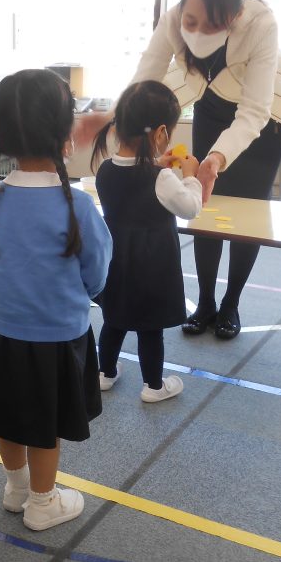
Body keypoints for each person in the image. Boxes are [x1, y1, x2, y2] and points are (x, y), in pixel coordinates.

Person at [76, 0, 281, 340]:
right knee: (205, 204)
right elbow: (145, 75)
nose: (197, 32)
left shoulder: (261, 22)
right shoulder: (173, 19)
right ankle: (206, 302)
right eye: (191, 22)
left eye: (211, 24)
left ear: (235, 14)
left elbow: (254, 110)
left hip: (266, 114)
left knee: (247, 208)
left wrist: (216, 158)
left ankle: (230, 303)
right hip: (213, 102)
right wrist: (109, 116)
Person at [0, 68, 112, 531]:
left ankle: (14, 488)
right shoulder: (78, 207)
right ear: (66, 135)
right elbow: (97, 275)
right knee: (46, 426)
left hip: (4, 333)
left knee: (9, 418)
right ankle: (42, 500)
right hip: (59, 337)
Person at [91, 80, 202, 402]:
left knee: (114, 319)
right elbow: (190, 207)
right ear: (160, 134)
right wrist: (191, 175)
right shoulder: (163, 178)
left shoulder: (106, 169)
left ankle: (105, 373)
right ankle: (154, 386)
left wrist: (159, 167)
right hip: (152, 266)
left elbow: (133, 183)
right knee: (149, 328)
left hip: (115, 262)